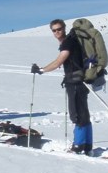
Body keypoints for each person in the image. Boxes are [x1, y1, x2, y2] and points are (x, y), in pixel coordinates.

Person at [31, 19, 93, 155]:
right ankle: (87, 145)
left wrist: (41, 70)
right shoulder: (70, 41)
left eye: (59, 29)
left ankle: (78, 146)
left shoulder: (68, 42)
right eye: (54, 30)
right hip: (79, 80)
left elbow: (59, 60)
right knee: (83, 112)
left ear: (64, 28)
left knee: (77, 114)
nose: (57, 32)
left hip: (76, 81)